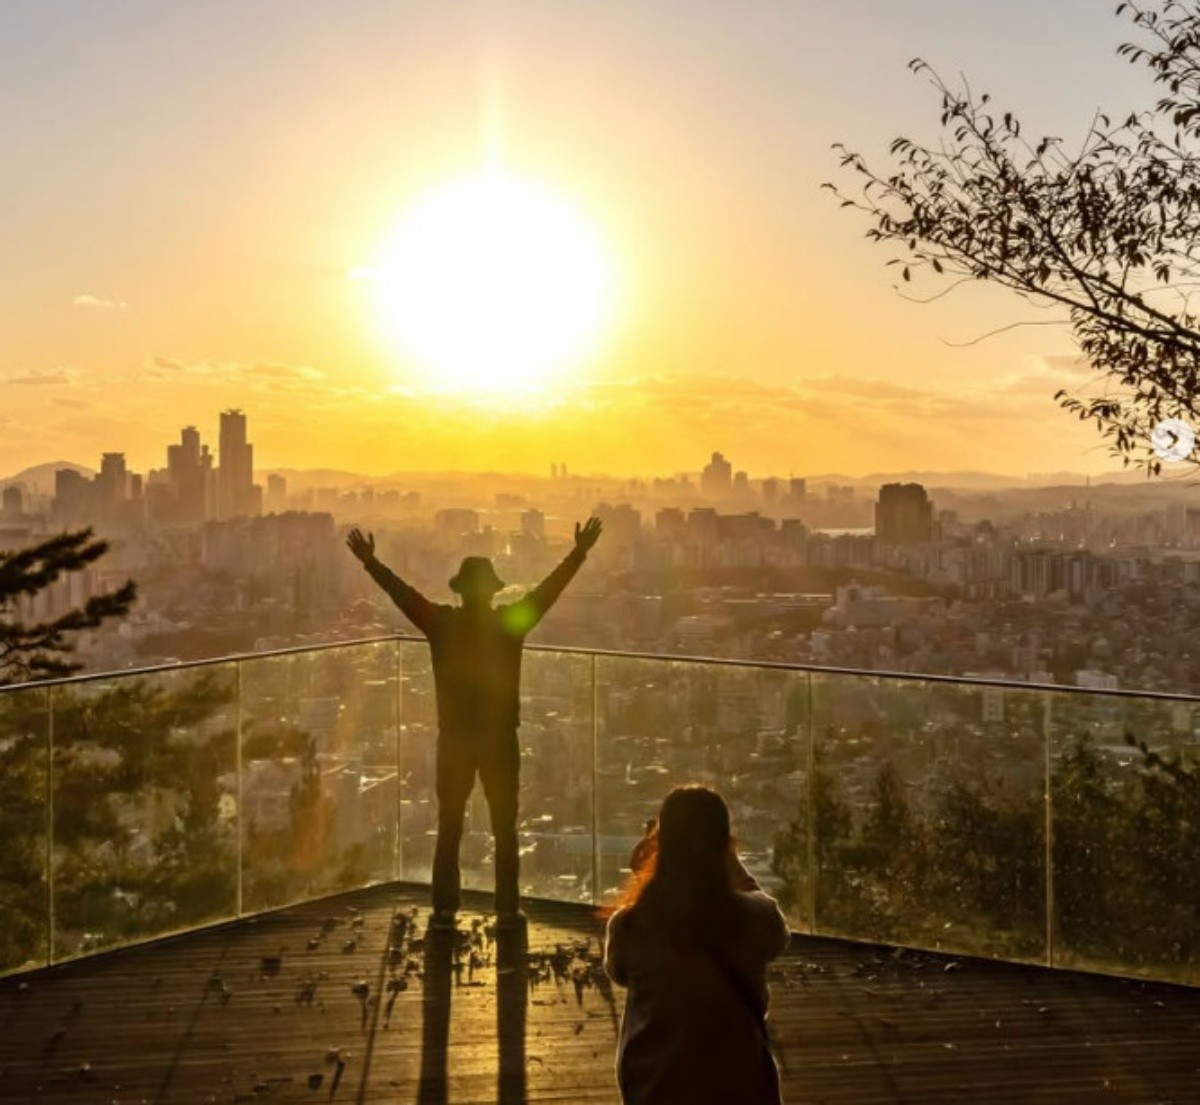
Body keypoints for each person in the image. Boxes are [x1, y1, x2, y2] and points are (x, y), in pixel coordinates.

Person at [347, 517, 602, 930]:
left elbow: (403, 595)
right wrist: (578, 553)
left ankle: (444, 910)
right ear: (493, 591)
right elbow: (547, 593)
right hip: (500, 739)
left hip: (454, 740)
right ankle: (507, 911)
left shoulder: (442, 624)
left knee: (450, 823)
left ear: (460, 592)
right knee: (505, 826)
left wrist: (370, 562)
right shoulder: (509, 623)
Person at [604, 785, 790, 1105]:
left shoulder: (629, 926)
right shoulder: (758, 917)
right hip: (741, 1085)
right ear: (724, 845)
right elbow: (778, 937)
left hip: (655, 1087)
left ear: (662, 846)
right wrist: (731, 862)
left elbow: (617, 972)